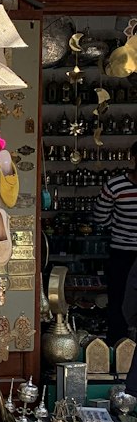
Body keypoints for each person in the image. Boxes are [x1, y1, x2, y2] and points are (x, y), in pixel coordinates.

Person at [92, 140, 137, 343]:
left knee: (119, 300)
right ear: (133, 159)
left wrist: (119, 226)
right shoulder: (115, 185)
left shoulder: (115, 185)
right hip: (122, 253)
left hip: (121, 249)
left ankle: (118, 345)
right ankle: (118, 346)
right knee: (118, 301)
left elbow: (102, 218)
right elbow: (100, 217)